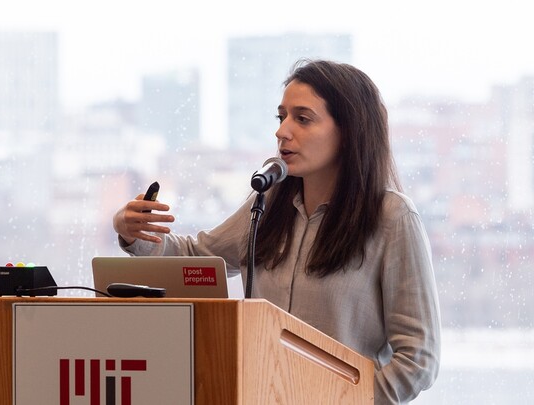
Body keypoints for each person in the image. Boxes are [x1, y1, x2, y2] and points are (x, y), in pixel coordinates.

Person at [113, 59, 441, 404]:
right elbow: (198, 257)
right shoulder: (267, 203)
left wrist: (349, 401)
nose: (282, 131)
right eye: (281, 116)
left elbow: (418, 359)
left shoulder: (392, 217)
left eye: (302, 118)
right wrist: (133, 232)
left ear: (349, 131)